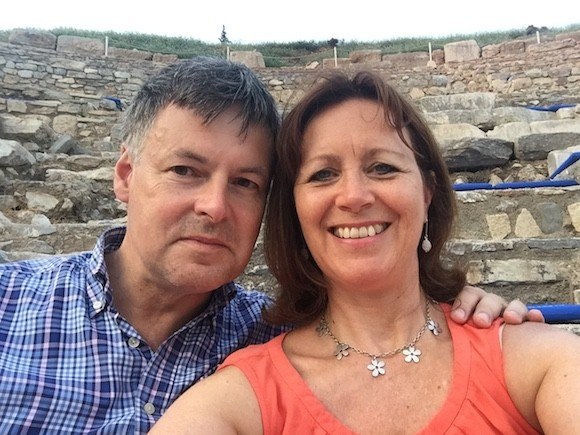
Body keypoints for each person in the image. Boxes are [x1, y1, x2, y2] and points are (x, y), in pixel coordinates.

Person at [0, 58, 540, 434]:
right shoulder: (8, 305)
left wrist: (466, 304)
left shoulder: (277, 333)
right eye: (186, 171)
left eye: (246, 183)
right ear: (124, 175)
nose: (214, 206)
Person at [151, 70, 578, 434]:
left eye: (383, 168)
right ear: (294, 211)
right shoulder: (237, 403)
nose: (354, 196)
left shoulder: (537, 362)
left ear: (427, 191)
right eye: (323, 174)